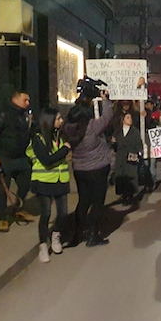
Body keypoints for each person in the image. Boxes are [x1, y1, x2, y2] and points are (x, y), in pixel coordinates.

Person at [62, 91, 113, 247]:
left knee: (83, 202)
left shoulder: (67, 129)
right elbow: (107, 116)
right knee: (97, 203)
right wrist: (105, 99)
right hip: (97, 169)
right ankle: (93, 234)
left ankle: (77, 234)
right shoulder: (91, 127)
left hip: (79, 169)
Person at [0, 90, 33, 232]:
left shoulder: (24, 116)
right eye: (25, 100)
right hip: (4, 159)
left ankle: (16, 208)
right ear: (15, 99)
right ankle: (2, 218)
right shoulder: (3, 116)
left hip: (21, 158)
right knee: (1, 191)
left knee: (25, 184)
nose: (28, 103)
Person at [26, 108, 71, 263]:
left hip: (60, 179)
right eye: (58, 119)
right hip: (43, 181)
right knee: (45, 214)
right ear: (49, 120)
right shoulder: (38, 139)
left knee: (63, 213)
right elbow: (46, 160)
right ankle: (43, 245)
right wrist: (65, 150)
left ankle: (56, 235)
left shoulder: (60, 135)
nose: (61, 121)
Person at [113, 113, 143, 205]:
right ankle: (123, 193)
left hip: (131, 155)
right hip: (120, 157)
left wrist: (139, 153)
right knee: (121, 175)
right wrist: (114, 143)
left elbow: (138, 143)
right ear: (122, 120)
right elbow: (115, 146)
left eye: (130, 117)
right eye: (127, 117)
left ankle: (129, 195)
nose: (130, 119)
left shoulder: (135, 131)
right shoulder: (117, 132)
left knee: (130, 175)